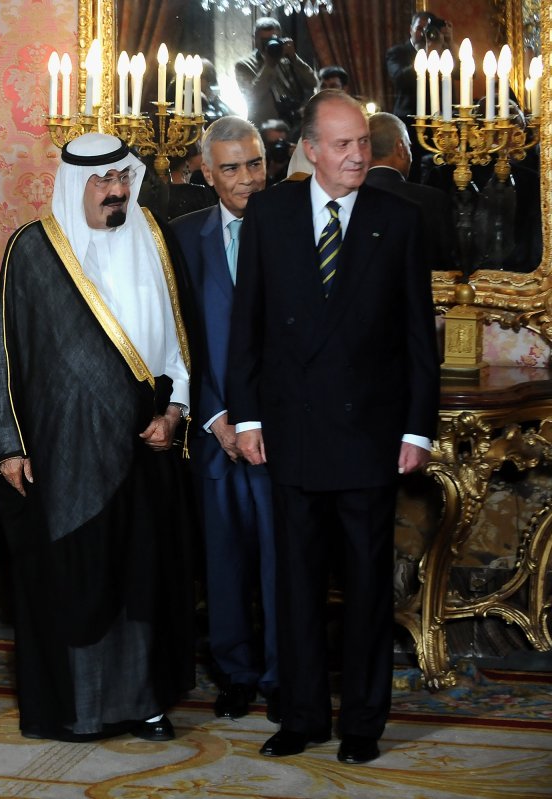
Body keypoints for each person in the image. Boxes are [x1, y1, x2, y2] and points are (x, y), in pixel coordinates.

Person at [227, 90, 439, 765]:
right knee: (295, 583)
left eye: (363, 143)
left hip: (371, 436)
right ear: (311, 149)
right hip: (290, 431)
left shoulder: (397, 220)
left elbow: (417, 340)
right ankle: (303, 715)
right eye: (343, 144)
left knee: (369, 585)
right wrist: (249, 414)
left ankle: (364, 723)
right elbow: (247, 326)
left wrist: (417, 430)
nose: (358, 155)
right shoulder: (270, 213)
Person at [0, 132, 196, 743]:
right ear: (76, 184)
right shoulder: (33, 250)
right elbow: (7, 353)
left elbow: (182, 344)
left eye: (123, 178)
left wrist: (177, 411)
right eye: (103, 181)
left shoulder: (155, 237)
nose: (117, 191)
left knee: (142, 575)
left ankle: (146, 702)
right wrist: (7, 443)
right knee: (79, 575)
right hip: (65, 448)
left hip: (147, 440)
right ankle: (79, 707)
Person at [171, 117, 278, 724]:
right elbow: (181, 339)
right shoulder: (184, 238)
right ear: (207, 173)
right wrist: (216, 418)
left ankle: (283, 675)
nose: (248, 179)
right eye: (232, 168)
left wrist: (264, 419)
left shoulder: (296, 227)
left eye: (256, 163)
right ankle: (236, 673)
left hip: (283, 433)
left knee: (282, 559)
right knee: (226, 559)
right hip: (215, 432)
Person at [365, 112, 455, 270]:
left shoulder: (346, 197)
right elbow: (448, 268)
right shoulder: (432, 201)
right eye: (409, 146)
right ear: (400, 147)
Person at [235, 17, 318, 135]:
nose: (269, 44)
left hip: (294, 126)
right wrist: (269, 65)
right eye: (264, 40)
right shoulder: (243, 65)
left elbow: (313, 82)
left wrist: (294, 58)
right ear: (254, 40)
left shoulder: (287, 59)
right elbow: (252, 97)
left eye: (272, 39)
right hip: (264, 129)